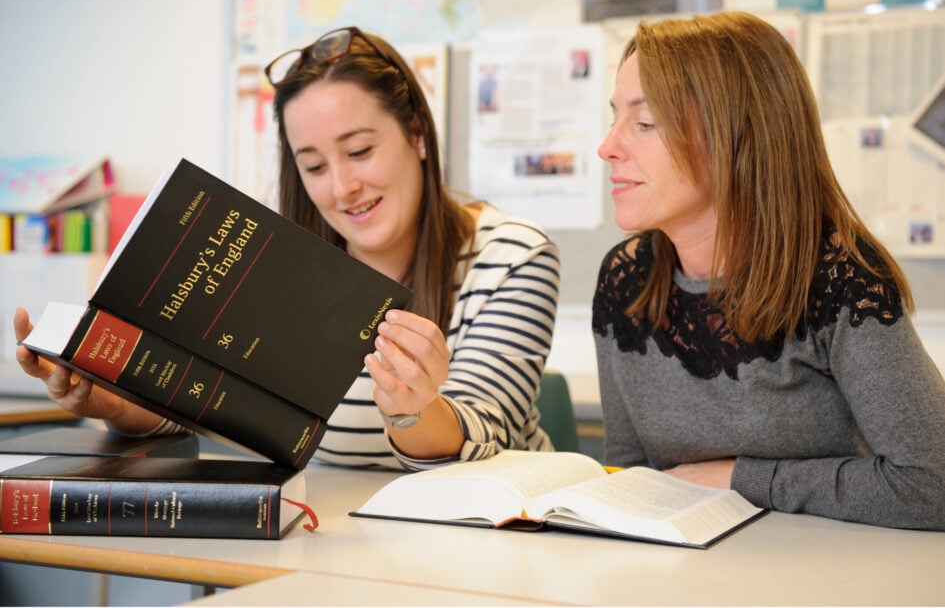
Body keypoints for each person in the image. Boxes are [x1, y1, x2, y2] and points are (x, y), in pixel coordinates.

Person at [14, 26, 560, 471]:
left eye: (361, 150)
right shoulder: (282, 264)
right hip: (332, 543)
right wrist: (111, 402)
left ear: (418, 134)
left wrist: (416, 411)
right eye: (315, 166)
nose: (343, 186)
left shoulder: (511, 255)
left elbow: (484, 429)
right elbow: (206, 407)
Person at [592, 11, 945, 529]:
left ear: (739, 137)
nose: (607, 147)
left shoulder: (841, 281)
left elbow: (933, 483)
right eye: (615, 117)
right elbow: (633, 475)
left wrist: (745, 478)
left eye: (644, 124)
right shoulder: (627, 278)